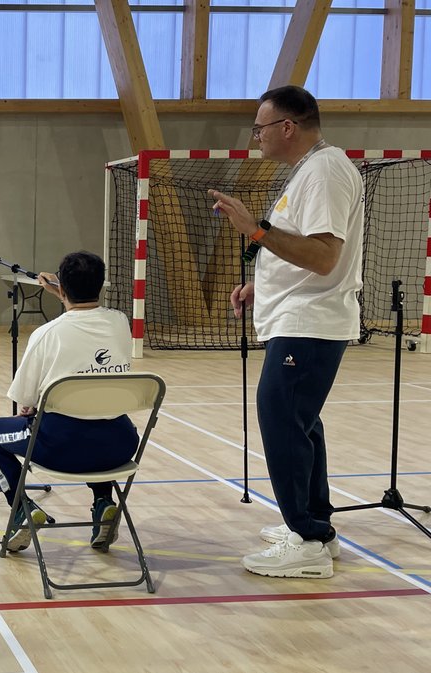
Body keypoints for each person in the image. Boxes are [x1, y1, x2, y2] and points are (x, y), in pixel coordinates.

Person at [209, 85, 362, 579]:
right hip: (297, 318)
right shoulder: (312, 169)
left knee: (281, 421)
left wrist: (255, 231)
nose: (256, 137)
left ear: (288, 127)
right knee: (301, 423)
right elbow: (305, 251)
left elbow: (323, 256)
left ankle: (307, 541)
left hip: (310, 323)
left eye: (261, 128)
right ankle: (317, 527)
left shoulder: (325, 170)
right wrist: (263, 282)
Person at [0, 251, 139, 553]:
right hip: (119, 446)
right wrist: (64, 295)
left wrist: (33, 403)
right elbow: (86, 320)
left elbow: (24, 400)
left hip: (63, 450)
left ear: (62, 288)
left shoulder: (45, 334)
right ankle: (104, 502)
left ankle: (22, 512)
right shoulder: (120, 322)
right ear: (100, 286)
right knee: (96, 411)